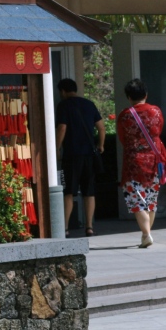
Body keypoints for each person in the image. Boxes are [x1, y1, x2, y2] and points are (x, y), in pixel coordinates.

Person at [117, 78, 166, 248]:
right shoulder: (156, 111)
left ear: (128, 97)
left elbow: (122, 138)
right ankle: (146, 235)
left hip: (133, 163)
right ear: (146, 95)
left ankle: (146, 234)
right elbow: (159, 131)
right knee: (151, 200)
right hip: (155, 162)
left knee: (136, 201)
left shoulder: (125, 115)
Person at [55, 78, 104, 236]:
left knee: (69, 191)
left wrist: (56, 148)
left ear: (62, 91)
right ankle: (89, 226)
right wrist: (101, 145)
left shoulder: (63, 105)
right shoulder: (89, 104)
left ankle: (65, 228)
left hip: (72, 154)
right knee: (89, 192)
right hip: (89, 154)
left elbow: (62, 128)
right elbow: (101, 127)